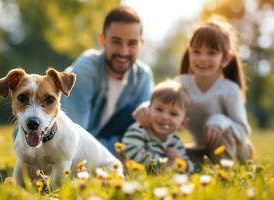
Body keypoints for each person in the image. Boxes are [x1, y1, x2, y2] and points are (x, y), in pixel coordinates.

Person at [135, 17, 253, 164]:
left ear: (226, 59)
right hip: (202, 150)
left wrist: (221, 120)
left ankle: (224, 174)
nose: (203, 58)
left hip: (237, 152)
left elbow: (243, 132)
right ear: (189, 52)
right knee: (171, 157)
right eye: (196, 51)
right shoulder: (182, 84)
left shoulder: (230, 90)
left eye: (212, 53)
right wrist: (146, 109)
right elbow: (163, 101)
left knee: (221, 131)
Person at [61, 5, 154, 155]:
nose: (124, 52)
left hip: (100, 139)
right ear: (103, 40)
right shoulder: (85, 69)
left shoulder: (143, 75)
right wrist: (122, 150)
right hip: (54, 140)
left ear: (141, 44)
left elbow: (149, 133)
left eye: (132, 43)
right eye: (116, 42)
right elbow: (74, 142)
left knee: (142, 110)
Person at [122, 80, 193, 172]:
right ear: (148, 109)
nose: (164, 117)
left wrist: (182, 163)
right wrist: (167, 166)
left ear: (183, 123)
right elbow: (132, 156)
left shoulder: (175, 141)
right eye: (159, 109)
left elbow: (189, 168)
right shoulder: (138, 130)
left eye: (173, 114)